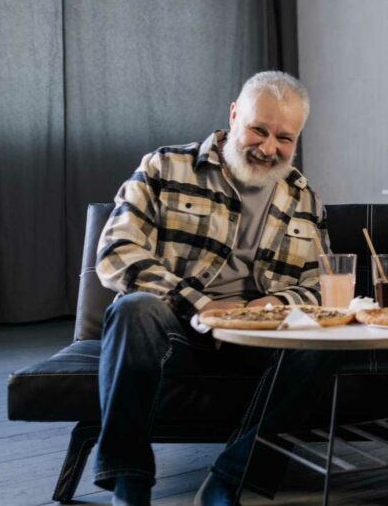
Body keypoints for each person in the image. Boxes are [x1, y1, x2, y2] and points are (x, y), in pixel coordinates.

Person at [94, 71, 335, 506]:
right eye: (259, 129)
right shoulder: (164, 166)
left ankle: (230, 481)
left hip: (258, 335)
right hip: (178, 326)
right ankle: (129, 483)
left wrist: (276, 303)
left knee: (317, 342)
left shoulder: (304, 198)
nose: (268, 148)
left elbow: (321, 285)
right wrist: (204, 306)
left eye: (284, 137)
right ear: (233, 114)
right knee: (134, 309)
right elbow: (117, 253)